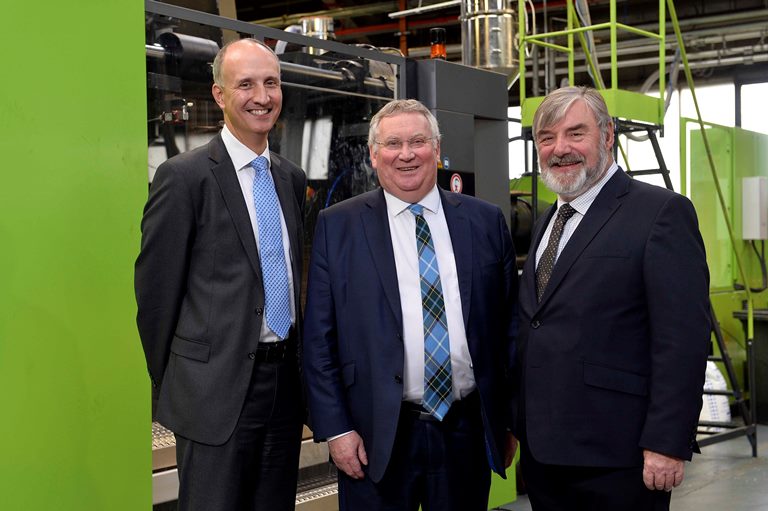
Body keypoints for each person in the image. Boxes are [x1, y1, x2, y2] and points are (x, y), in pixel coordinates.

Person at [303, 98, 518, 511]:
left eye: (418, 142)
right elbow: (318, 340)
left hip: (465, 430)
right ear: (373, 153)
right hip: (374, 435)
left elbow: (510, 328)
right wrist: (336, 430)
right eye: (393, 143)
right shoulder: (338, 226)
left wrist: (507, 421)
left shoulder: (485, 221)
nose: (406, 154)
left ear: (437, 150)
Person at [512, 86, 711, 510]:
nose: (559, 148)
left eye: (575, 134)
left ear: (608, 136)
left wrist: (667, 442)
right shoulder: (551, 217)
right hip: (546, 455)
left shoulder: (660, 213)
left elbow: (683, 341)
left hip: (619, 456)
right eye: (547, 138)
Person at [135, 38, 306, 510]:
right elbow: (155, 298)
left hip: (285, 387)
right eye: (246, 84)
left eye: (271, 83)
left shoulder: (290, 178)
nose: (261, 96)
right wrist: (186, 382)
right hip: (214, 393)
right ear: (218, 95)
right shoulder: (183, 177)